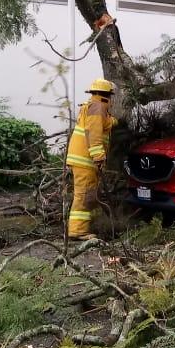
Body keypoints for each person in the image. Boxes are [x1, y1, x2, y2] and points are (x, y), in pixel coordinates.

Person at [66, 78, 118, 239]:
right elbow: (94, 133)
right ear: (108, 95)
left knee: (88, 195)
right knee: (83, 195)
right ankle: (78, 231)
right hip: (86, 160)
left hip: (84, 160)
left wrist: (113, 121)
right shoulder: (98, 107)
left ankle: (85, 227)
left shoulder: (94, 107)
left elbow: (104, 124)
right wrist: (99, 156)